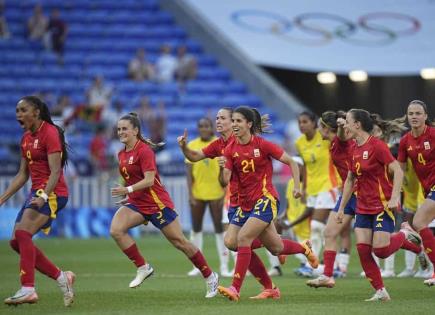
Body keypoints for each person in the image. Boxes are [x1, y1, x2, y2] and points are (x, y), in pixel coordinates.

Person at [109, 112, 219, 298]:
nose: (121, 132)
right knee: (116, 230)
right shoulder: (121, 153)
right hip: (138, 203)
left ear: (135, 130)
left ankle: (210, 276)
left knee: (180, 243)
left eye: (124, 128)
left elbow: (150, 180)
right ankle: (143, 267)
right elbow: (135, 180)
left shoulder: (144, 151)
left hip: (157, 203)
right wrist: (130, 197)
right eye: (119, 129)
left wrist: (127, 190)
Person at [216, 106, 318, 301]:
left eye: (238, 121)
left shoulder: (263, 145)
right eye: (233, 121)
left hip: (265, 200)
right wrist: (222, 169)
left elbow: (292, 162)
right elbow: (224, 181)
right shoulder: (230, 149)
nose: (234, 125)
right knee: (265, 246)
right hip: (244, 204)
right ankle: (302, 250)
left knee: (244, 238)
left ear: (249, 124)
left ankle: (235, 288)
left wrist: (297, 186)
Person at [178, 107, 280, 297]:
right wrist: (184, 147)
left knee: (243, 241)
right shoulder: (219, 144)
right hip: (236, 201)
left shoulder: (240, 140)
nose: (218, 121)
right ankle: (272, 276)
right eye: (217, 118)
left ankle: (240, 288)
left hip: (254, 199)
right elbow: (197, 160)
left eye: (223, 118)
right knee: (233, 242)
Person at [336, 109, 422, 301]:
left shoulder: (377, 146)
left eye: (348, 122)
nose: (345, 126)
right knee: (363, 250)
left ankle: (405, 234)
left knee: (381, 251)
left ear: (357, 124)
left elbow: (398, 172)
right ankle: (380, 291)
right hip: (362, 206)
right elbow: (350, 180)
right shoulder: (353, 148)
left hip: (382, 205)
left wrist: (394, 198)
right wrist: (341, 208)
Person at [0, 96, 75, 306]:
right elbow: (22, 175)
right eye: (17, 111)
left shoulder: (50, 133)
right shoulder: (25, 138)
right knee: (16, 241)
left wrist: (43, 196)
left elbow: (55, 171)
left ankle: (28, 288)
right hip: (36, 192)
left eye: (23, 110)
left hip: (53, 193)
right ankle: (62, 277)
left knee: (23, 233)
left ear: (36, 112)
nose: (18, 115)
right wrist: (2, 198)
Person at [306, 111, 355, 288]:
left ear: (325, 128)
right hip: (349, 193)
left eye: (320, 126)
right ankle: (327, 275)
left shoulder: (339, 141)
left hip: (364, 192)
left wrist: (341, 126)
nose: (318, 130)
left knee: (379, 246)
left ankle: (405, 238)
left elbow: (341, 137)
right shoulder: (333, 145)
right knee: (329, 232)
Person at [291, 111, 340, 276]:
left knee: (317, 226)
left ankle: (312, 264)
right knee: (322, 228)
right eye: (299, 122)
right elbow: (304, 165)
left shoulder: (324, 137)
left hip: (329, 185)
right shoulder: (299, 142)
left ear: (314, 123)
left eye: (305, 121)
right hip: (312, 188)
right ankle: (333, 264)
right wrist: (303, 188)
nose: (301, 125)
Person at [397, 100, 435, 286]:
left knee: (419, 222)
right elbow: (400, 170)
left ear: (426, 116)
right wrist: (395, 194)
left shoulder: (434, 135)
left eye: (418, 113)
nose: (414, 116)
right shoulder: (405, 141)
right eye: (410, 113)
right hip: (428, 190)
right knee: (421, 225)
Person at [184, 118, 228, 276]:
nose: (204, 128)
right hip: (198, 194)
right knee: (196, 229)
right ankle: (197, 266)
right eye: (201, 126)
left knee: (219, 230)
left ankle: (224, 266)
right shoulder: (192, 145)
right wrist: (190, 194)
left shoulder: (220, 143)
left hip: (217, 194)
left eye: (207, 126)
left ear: (212, 129)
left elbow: (227, 169)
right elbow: (189, 174)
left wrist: (225, 193)